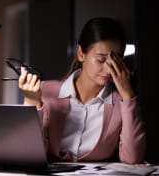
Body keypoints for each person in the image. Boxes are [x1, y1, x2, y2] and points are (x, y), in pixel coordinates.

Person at [18, 17, 146, 164]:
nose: (109, 69)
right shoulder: (45, 91)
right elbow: (30, 152)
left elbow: (133, 158)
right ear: (80, 53)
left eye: (116, 61)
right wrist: (33, 102)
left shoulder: (123, 103)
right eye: (101, 60)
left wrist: (128, 96)